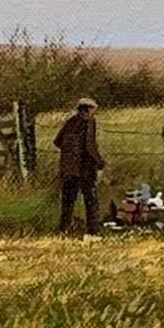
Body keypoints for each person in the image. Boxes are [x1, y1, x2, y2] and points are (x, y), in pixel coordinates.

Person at [53, 95, 104, 235]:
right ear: (88, 109)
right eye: (93, 109)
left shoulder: (70, 121)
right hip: (84, 168)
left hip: (67, 168)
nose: (94, 112)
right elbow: (89, 145)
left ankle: (63, 229)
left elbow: (57, 141)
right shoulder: (90, 122)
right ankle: (93, 231)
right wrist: (99, 162)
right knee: (90, 199)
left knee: (68, 201)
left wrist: (69, 152)